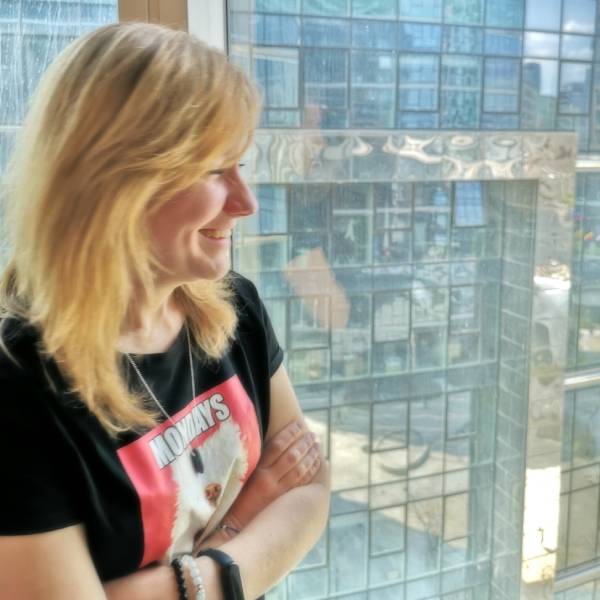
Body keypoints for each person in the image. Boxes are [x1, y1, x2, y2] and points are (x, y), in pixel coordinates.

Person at [0, 22, 330, 600]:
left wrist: (180, 579)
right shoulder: (17, 383)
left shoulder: (234, 307)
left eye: (241, 166)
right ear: (115, 182)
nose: (246, 203)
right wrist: (239, 533)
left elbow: (309, 487)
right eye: (214, 170)